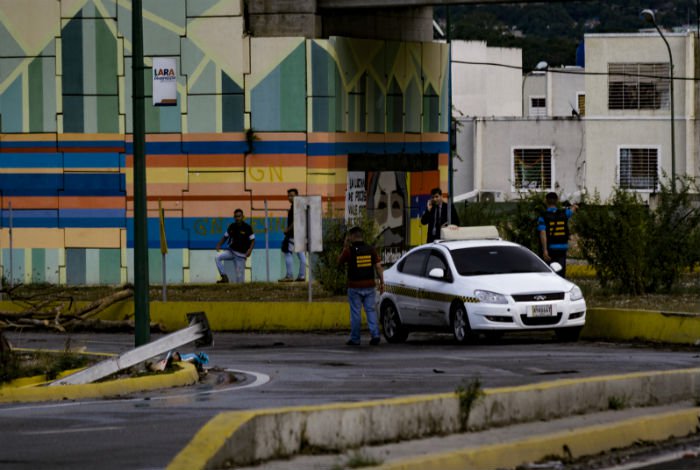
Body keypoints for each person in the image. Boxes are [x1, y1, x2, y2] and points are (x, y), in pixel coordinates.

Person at [337, 226, 384, 346]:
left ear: (352, 237)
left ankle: (355, 339)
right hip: (369, 285)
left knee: (355, 313)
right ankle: (375, 335)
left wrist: (345, 246)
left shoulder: (349, 251)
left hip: (354, 286)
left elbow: (339, 262)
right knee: (371, 311)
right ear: (362, 236)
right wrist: (382, 282)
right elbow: (378, 266)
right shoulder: (371, 249)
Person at [538, 192, 577, 278]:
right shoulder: (565, 213)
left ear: (546, 201)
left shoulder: (543, 216)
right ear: (557, 201)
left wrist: (544, 250)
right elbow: (574, 208)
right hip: (562, 248)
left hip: (550, 249)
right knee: (561, 273)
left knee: (549, 273)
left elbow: (542, 232)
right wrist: (572, 206)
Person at [215, 209, 255, 283]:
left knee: (240, 280)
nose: (237, 218)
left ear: (243, 217)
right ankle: (224, 277)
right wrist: (219, 244)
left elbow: (253, 240)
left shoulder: (247, 227)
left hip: (241, 255)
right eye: (236, 216)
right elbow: (225, 236)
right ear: (234, 217)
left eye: (239, 216)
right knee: (217, 257)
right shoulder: (232, 226)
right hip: (231, 251)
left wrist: (250, 250)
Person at [279, 188, 306, 282]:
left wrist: (287, 229)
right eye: (289, 195)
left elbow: (296, 221)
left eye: (292, 195)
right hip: (301, 234)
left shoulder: (296, 206)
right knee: (301, 255)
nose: (289, 197)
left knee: (287, 253)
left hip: (293, 235)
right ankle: (302, 276)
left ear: (297, 196)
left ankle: (289, 275)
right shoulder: (299, 206)